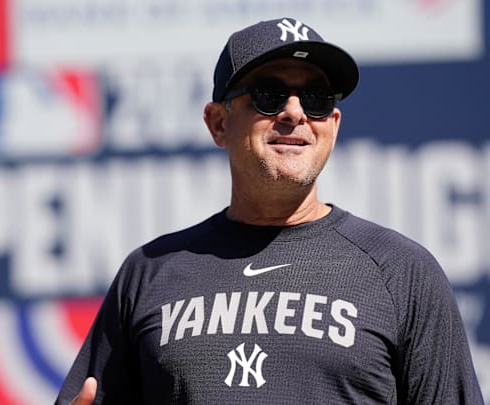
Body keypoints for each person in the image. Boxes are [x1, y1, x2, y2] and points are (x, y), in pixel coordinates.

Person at [55, 17, 484, 404]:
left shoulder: (402, 271)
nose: (295, 113)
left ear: (332, 125)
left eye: (315, 98)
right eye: (269, 94)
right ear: (218, 123)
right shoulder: (150, 272)